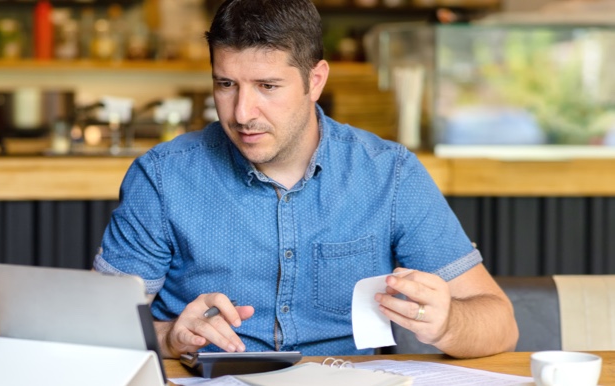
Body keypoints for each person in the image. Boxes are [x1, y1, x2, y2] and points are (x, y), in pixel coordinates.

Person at [94, 0, 518, 359]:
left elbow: (501, 324)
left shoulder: (390, 174)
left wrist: (446, 323)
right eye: (226, 84)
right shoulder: (163, 177)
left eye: (267, 86)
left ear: (315, 81)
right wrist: (170, 337)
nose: (242, 113)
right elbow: (95, 331)